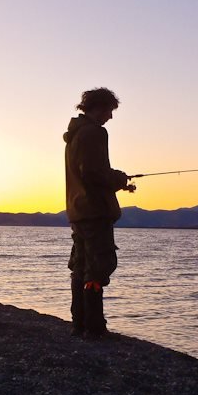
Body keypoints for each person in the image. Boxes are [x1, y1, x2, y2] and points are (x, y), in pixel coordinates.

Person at [64, 88, 135, 339]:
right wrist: (118, 178)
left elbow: (87, 171)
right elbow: (94, 173)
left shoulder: (74, 135)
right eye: (109, 111)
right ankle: (94, 327)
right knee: (98, 267)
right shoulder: (95, 132)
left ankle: (78, 324)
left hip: (78, 210)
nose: (110, 117)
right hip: (95, 211)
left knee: (80, 266)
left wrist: (117, 180)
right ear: (99, 107)